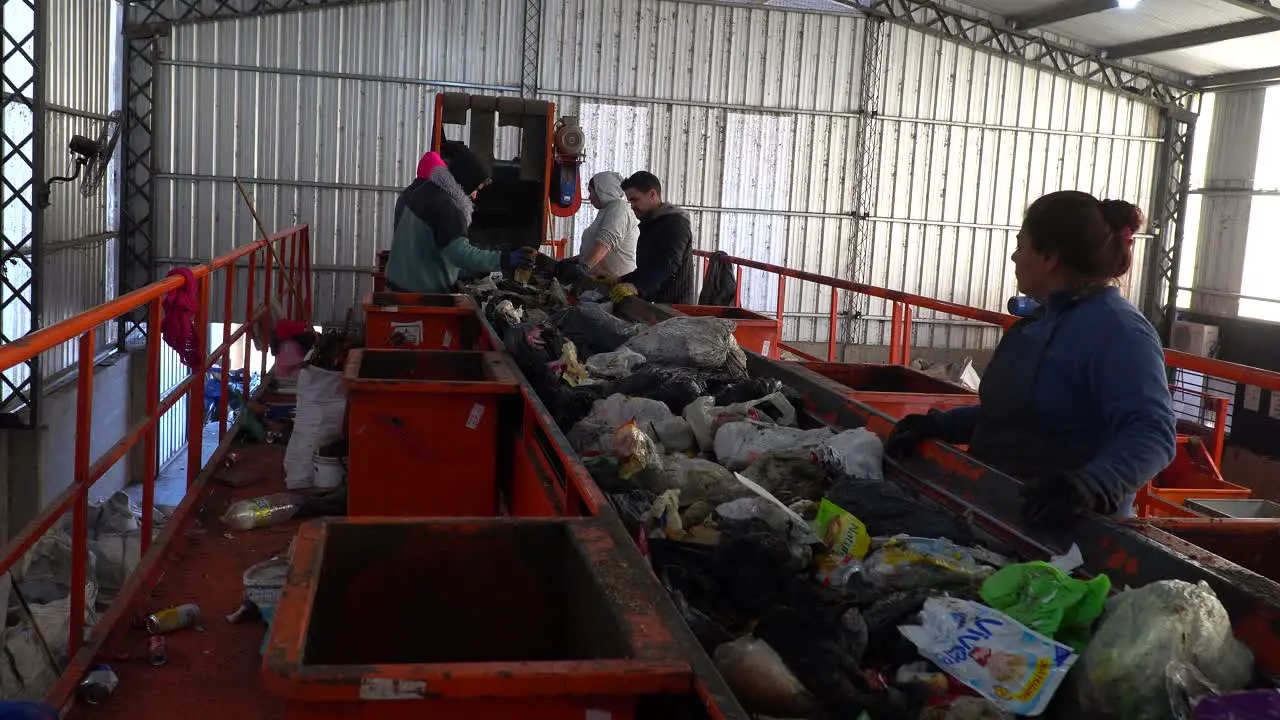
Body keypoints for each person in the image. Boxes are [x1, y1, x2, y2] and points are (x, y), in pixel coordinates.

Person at [884, 191, 1176, 526]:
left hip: (1069, 538)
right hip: (998, 510)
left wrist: (1088, 486)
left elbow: (1154, 432)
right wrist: (940, 425)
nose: (1013, 256)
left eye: (1021, 245)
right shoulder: (1036, 323)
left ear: (1049, 256)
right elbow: (1019, 414)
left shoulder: (1120, 332)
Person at [385, 140, 531, 294]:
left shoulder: (425, 191)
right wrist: (504, 259)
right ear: (466, 182)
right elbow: (460, 254)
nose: (475, 196)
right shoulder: (447, 207)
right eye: (476, 189)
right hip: (421, 294)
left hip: (400, 285)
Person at [608, 171, 695, 305]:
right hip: (654, 303)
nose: (632, 206)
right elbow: (648, 268)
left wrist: (638, 286)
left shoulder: (675, 223)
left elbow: (668, 266)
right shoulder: (649, 223)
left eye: (635, 200)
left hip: (674, 309)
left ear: (652, 194)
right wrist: (620, 280)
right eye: (629, 201)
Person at [571, 171, 638, 277]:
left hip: (615, 282)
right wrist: (573, 260)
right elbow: (593, 247)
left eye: (591, 191)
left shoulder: (619, 208)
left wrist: (584, 268)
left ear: (601, 190)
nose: (589, 197)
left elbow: (605, 243)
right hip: (601, 279)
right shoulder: (607, 210)